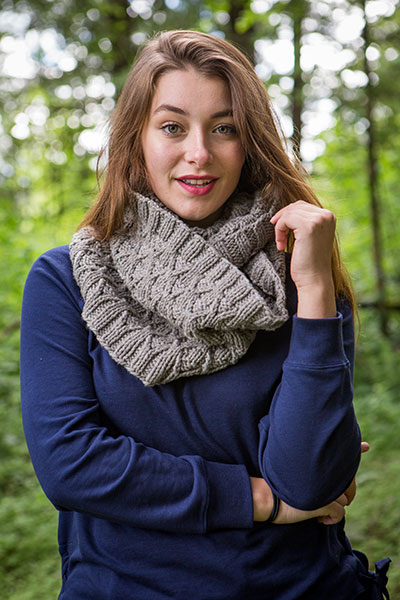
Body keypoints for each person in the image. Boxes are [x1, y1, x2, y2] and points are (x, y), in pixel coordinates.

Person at [20, 29, 390, 599]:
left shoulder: (297, 271)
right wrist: (259, 498)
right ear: (136, 140)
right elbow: (71, 463)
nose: (199, 152)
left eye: (224, 128)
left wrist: (315, 290)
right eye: (172, 127)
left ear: (250, 143)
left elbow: (311, 480)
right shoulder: (68, 280)